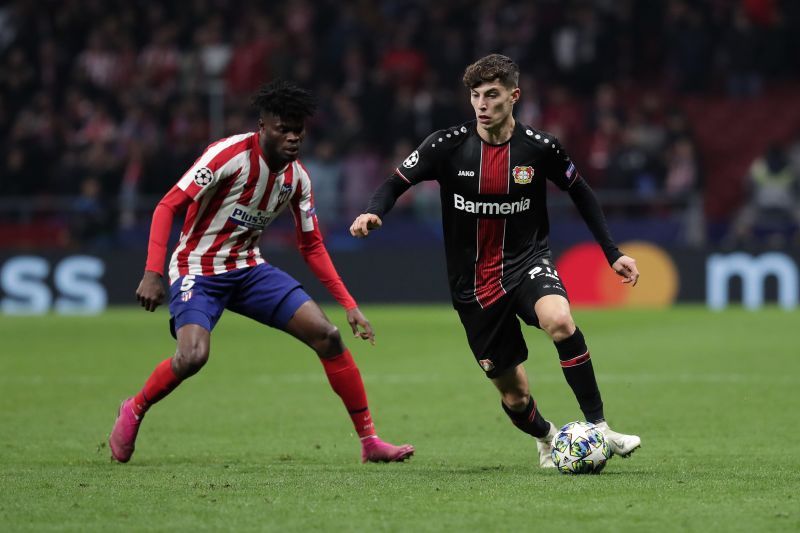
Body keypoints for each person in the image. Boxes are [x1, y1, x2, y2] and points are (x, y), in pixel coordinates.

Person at [350, 55, 640, 468]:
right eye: (475, 96)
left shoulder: (540, 148)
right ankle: (548, 437)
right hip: (473, 287)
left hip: (527, 262)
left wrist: (613, 253)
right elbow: (395, 182)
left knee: (559, 320)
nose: (482, 104)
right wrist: (373, 211)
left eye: (492, 94)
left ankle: (599, 427)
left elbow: (582, 192)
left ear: (513, 96)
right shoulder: (445, 145)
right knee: (515, 394)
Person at [109, 80, 414, 464]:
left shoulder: (297, 178)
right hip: (197, 268)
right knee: (192, 357)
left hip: (249, 269)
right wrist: (153, 272)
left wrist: (348, 304)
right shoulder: (226, 156)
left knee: (328, 336)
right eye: (282, 129)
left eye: (298, 130)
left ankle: (370, 442)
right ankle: (134, 408)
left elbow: (312, 245)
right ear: (262, 127)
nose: (292, 137)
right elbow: (167, 206)